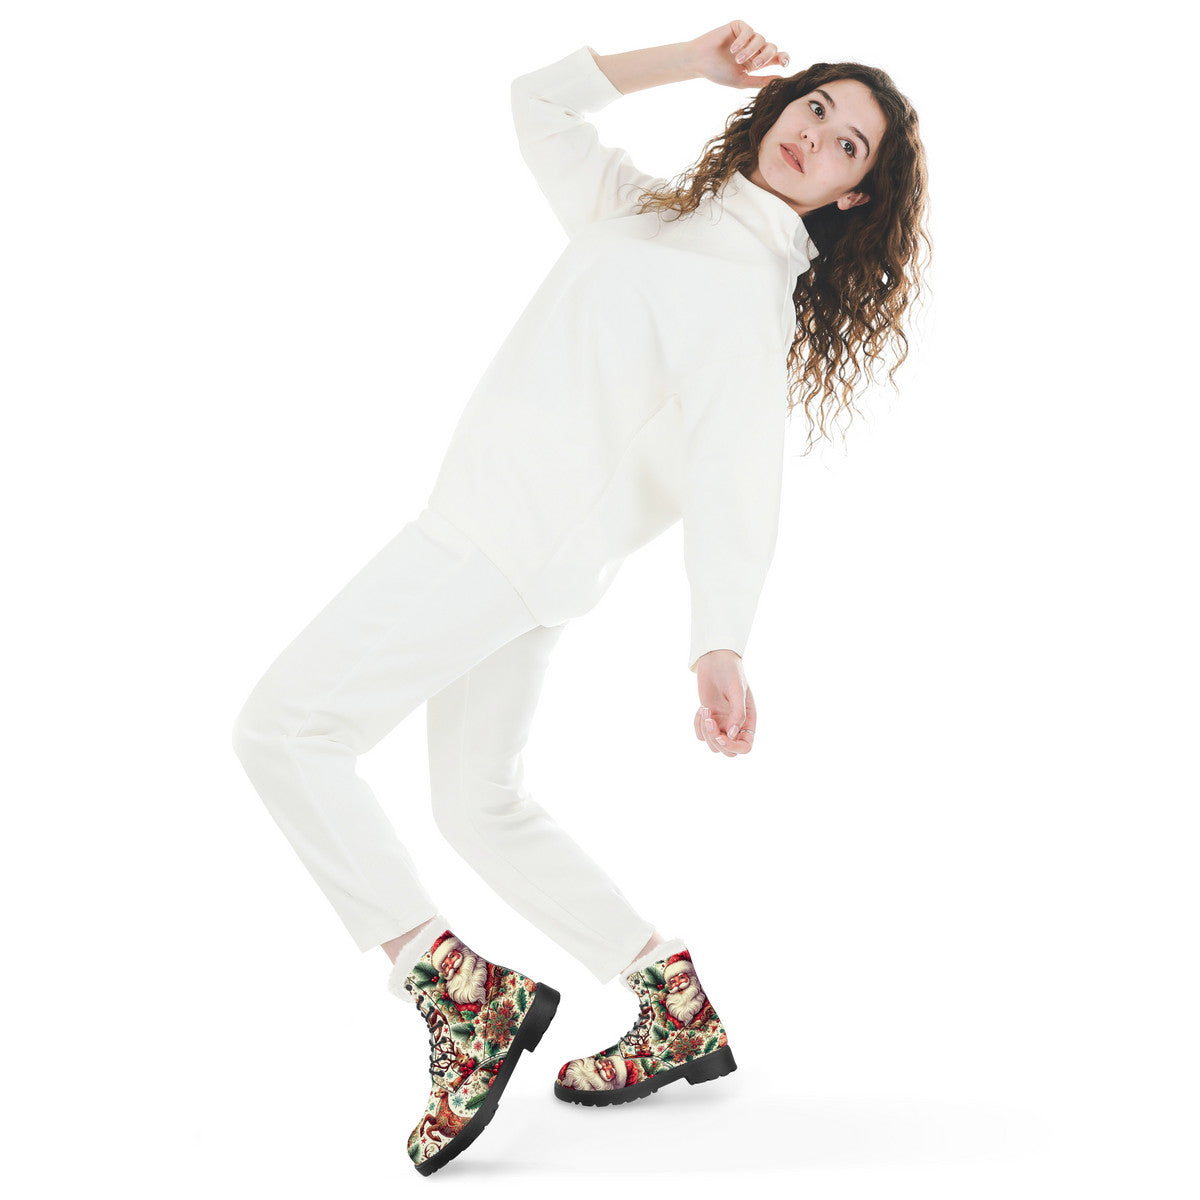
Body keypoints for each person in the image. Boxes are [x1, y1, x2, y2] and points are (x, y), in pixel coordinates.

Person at [231, 19, 930, 1176]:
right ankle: (670, 1000)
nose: (817, 136)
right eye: (814, 107)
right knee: (479, 804)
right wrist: (688, 60)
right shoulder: (654, 215)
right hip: (517, 556)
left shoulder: (745, 294)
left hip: (491, 547)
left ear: (852, 197)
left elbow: (737, 486)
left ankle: (455, 991)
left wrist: (719, 643)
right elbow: (536, 103)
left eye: (848, 144)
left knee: (282, 730)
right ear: (775, 107)